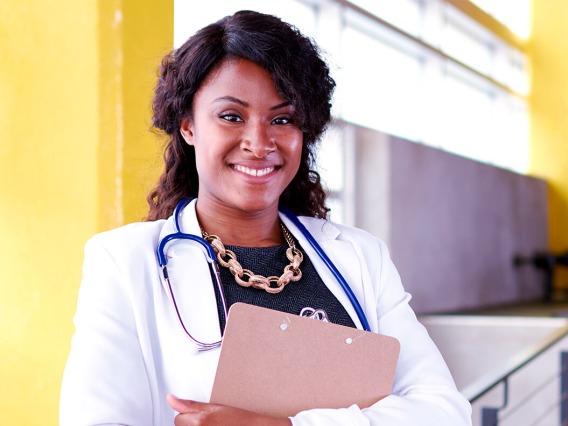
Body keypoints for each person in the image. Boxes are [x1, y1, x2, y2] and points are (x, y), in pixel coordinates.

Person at [60, 10, 472, 426]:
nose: (259, 143)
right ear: (187, 125)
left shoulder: (361, 257)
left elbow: (444, 410)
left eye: (282, 119)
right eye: (231, 116)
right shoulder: (124, 262)